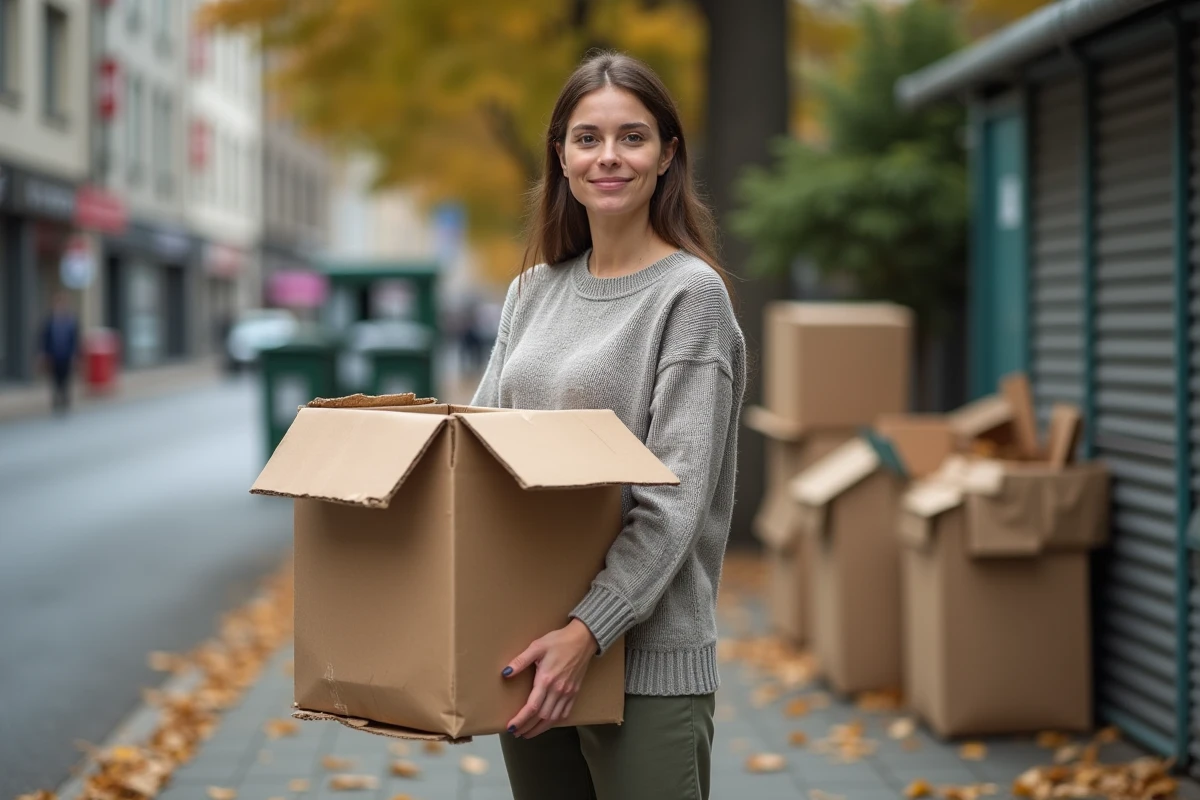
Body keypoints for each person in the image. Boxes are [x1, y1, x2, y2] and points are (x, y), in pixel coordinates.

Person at [471, 50, 746, 800]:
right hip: (528, 648)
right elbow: (478, 459)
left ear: (667, 157)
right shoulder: (530, 292)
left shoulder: (690, 298)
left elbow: (673, 502)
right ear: (560, 157)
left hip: (643, 660)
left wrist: (587, 632)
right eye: (588, 138)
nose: (609, 157)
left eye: (633, 137)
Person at [41, 291, 80, 415]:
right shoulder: (50, 321)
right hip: (54, 356)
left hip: (67, 356)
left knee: (66, 379)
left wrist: (76, 355)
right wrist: (44, 354)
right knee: (55, 379)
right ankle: (56, 401)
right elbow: (44, 339)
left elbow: (75, 339)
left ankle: (65, 400)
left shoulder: (71, 321)